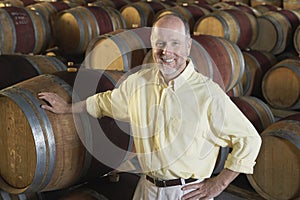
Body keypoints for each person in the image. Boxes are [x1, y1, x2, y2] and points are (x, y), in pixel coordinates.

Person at [38, 14, 262, 200]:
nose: (166, 51)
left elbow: (249, 140)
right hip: (146, 189)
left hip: (186, 194)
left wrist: (218, 185)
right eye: (160, 43)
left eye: (175, 43)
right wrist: (68, 108)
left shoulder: (208, 94)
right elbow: (105, 103)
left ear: (188, 45)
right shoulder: (139, 82)